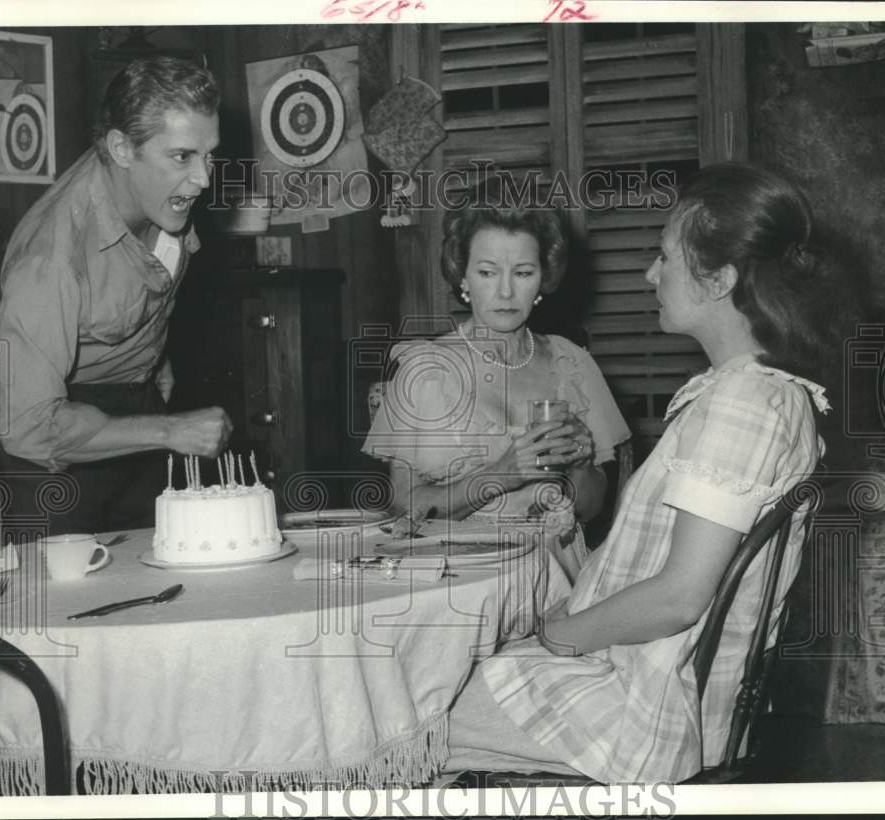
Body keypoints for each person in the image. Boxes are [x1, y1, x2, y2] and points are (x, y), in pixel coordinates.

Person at [442, 163, 855, 783]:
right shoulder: (758, 392)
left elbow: (679, 597)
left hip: (651, 705)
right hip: (648, 677)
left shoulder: (743, 404)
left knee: (398, 723)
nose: (650, 274)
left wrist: (559, 637)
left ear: (719, 279)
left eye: (665, 257)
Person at [0, 56, 232, 535]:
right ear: (121, 148)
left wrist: (153, 361)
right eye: (183, 156)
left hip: (137, 417)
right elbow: (28, 426)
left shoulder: (158, 189)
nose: (204, 178)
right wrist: (170, 430)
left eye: (209, 155)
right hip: (54, 448)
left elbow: (143, 284)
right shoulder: (49, 258)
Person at [363, 182, 631, 581]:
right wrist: (503, 474)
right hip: (461, 580)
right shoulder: (424, 368)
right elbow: (405, 508)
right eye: (487, 272)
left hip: (560, 573)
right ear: (462, 275)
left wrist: (578, 463)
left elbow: (593, 507)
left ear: (543, 278)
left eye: (523, 272)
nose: (506, 291)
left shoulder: (571, 362)